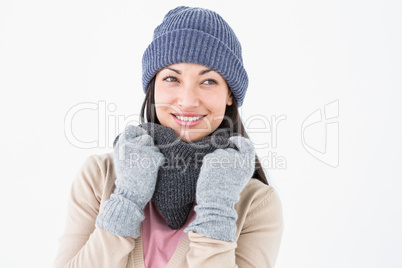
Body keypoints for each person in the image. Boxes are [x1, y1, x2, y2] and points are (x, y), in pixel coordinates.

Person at [53, 6, 284, 268]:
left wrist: (217, 209)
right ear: (153, 87)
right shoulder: (101, 176)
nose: (187, 100)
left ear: (230, 94)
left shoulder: (256, 203)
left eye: (208, 81)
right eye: (172, 78)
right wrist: (127, 199)